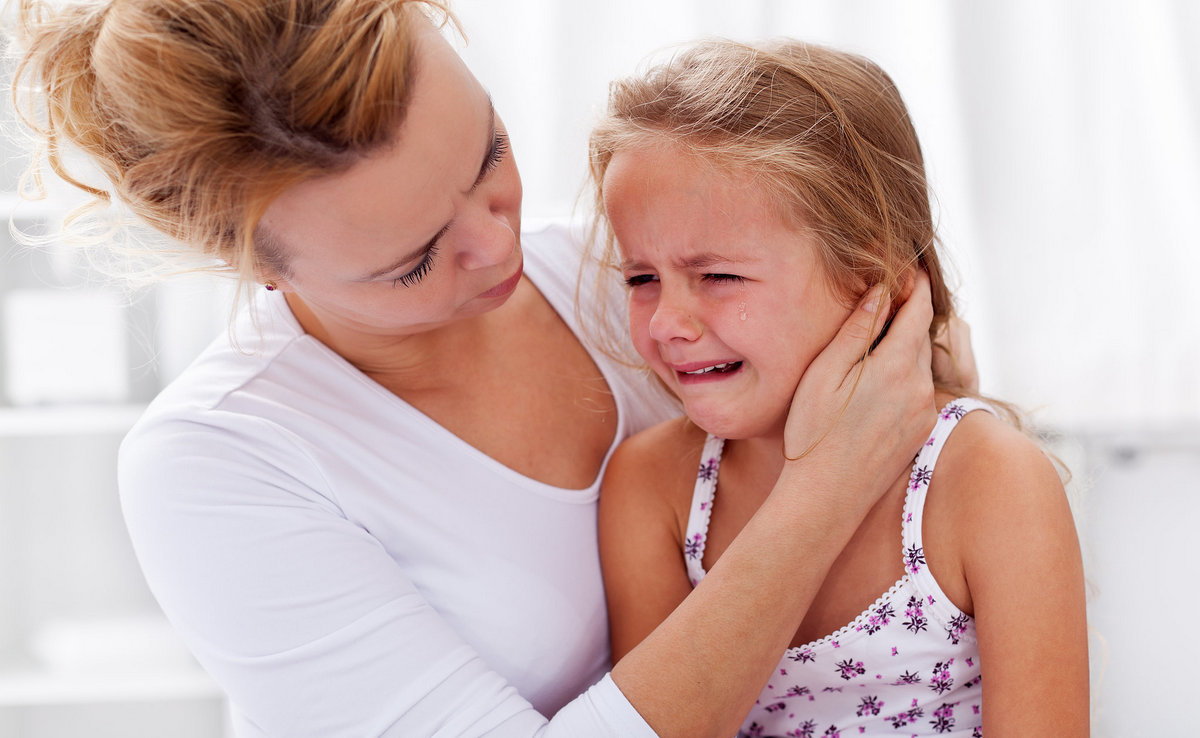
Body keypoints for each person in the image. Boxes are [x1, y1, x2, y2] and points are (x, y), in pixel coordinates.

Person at [11, 3, 959, 736]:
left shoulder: (631, 280)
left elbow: (926, 435)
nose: (497, 243)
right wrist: (829, 484)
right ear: (255, 263)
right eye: (413, 260)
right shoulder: (218, 465)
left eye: (488, 153)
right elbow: (855, 454)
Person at [591, 39, 1089, 737]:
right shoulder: (654, 488)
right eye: (642, 278)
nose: (669, 322)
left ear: (868, 278)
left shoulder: (988, 480)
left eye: (719, 276)